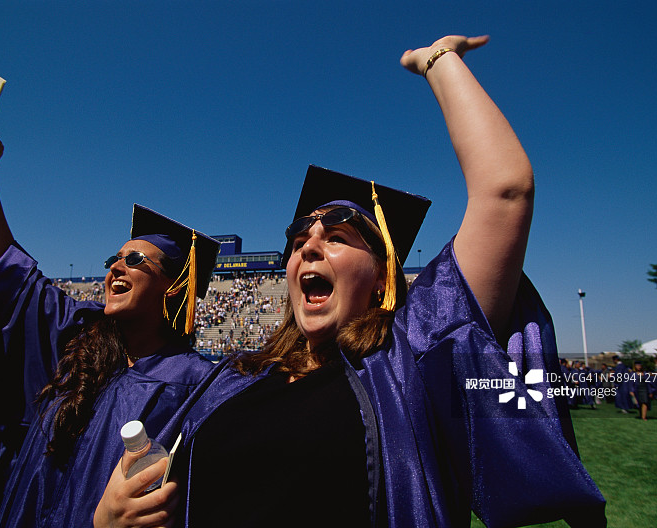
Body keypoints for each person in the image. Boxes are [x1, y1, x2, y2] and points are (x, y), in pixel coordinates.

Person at [95, 35, 606, 527]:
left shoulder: (410, 363)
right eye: (298, 240)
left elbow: (506, 190)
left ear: (382, 272)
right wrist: (113, 518)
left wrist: (439, 59)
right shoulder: (232, 378)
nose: (309, 245)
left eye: (337, 235)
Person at [0, 122, 220, 527]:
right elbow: (9, 274)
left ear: (174, 287)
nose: (115, 265)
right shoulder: (77, 341)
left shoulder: (197, 385)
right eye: (113, 259)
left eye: (134, 260)